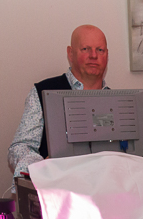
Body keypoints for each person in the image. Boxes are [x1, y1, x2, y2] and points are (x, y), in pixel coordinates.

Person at [8, 25, 109, 177]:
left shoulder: (118, 102)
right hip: (55, 189)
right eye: (85, 49)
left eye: (100, 50)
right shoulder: (43, 92)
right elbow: (20, 147)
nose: (93, 55)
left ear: (107, 55)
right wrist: (42, 166)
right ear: (70, 53)